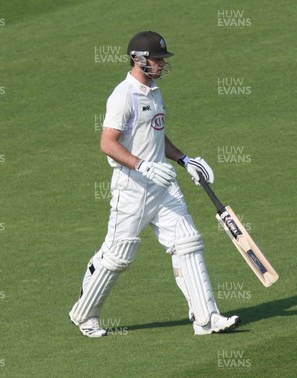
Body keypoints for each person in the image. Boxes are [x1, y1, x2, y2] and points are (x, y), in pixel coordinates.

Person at [69, 31, 240, 337]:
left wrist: (185, 159)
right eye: (157, 59)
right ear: (138, 59)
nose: (161, 64)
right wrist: (143, 165)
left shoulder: (155, 92)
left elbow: (157, 135)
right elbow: (107, 143)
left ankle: (206, 318)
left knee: (188, 242)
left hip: (163, 185)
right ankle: (84, 315)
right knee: (118, 255)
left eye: (162, 59)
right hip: (132, 187)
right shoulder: (123, 95)